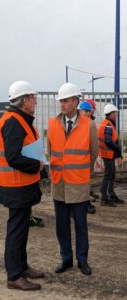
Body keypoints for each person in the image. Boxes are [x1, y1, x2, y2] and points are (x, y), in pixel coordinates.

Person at [0, 80, 45, 291]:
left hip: (21, 186)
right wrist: (38, 165)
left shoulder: (20, 119)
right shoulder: (14, 121)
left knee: (22, 230)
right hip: (15, 187)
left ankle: (22, 267)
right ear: (25, 100)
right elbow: (13, 157)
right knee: (16, 231)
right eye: (33, 97)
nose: (35, 101)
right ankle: (14, 276)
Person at [47, 83, 98, 276]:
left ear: (76, 101)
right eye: (61, 100)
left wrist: (83, 173)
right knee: (61, 225)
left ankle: (82, 261)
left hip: (78, 185)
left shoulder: (88, 124)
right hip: (59, 184)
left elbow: (93, 153)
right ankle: (66, 259)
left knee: (81, 226)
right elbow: (50, 151)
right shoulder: (52, 123)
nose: (62, 103)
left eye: (66, 100)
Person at [98, 103, 124, 207]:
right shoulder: (108, 125)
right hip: (108, 154)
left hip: (108, 154)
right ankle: (104, 197)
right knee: (108, 175)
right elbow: (108, 141)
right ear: (110, 114)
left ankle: (111, 195)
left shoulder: (107, 124)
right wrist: (117, 148)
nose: (116, 115)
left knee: (111, 174)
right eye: (114, 113)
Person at [79, 101, 98, 214]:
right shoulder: (89, 124)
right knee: (83, 185)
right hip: (81, 162)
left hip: (82, 161)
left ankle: (85, 203)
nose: (88, 113)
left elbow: (94, 149)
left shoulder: (86, 123)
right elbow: (94, 149)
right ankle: (85, 204)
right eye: (86, 111)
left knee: (83, 184)